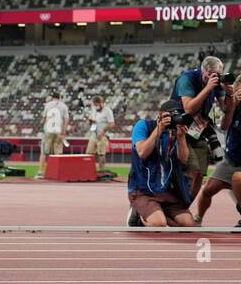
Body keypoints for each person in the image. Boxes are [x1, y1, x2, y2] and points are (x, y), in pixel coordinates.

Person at [193, 73, 241, 225]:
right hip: (232, 158)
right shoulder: (232, 102)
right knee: (208, 190)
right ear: (235, 91)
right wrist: (233, 105)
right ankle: (198, 218)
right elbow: (224, 126)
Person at [126, 100, 194, 228]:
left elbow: (184, 159)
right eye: (170, 115)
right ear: (160, 115)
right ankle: (138, 215)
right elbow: (142, 152)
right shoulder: (143, 125)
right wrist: (159, 129)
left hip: (165, 190)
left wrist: (181, 137)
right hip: (142, 189)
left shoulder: (175, 132)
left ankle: (157, 213)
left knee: (188, 224)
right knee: (158, 224)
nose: (173, 119)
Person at [172, 55, 227, 202]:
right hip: (180, 130)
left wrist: (230, 93)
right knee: (191, 169)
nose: (214, 78)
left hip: (199, 131)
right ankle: (175, 205)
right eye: (211, 75)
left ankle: (185, 206)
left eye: (218, 75)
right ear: (204, 71)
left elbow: (226, 109)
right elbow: (188, 108)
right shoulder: (187, 78)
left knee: (200, 174)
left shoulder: (216, 83)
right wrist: (208, 88)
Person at [35, 90, 70, 179]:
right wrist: (64, 131)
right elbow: (66, 120)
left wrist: (43, 124)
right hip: (58, 131)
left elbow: (44, 119)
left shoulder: (48, 105)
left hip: (48, 131)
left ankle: (40, 172)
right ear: (59, 98)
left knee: (44, 153)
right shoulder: (63, 106)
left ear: (52, 97)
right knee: (58, 153)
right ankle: (59, 173)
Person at [85, 95, 114, 174]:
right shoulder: (94, 110)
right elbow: (92, 122)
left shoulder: (107, 111)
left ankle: (102, 171)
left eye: (97, 105)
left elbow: (112, 124)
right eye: (95, 105)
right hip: (94, 134)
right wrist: (90, 122)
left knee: (101, 154)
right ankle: (89, 171)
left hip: (103, 136)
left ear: (102, 103)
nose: (96, 106)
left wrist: (102, 132)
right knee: (89, 154)